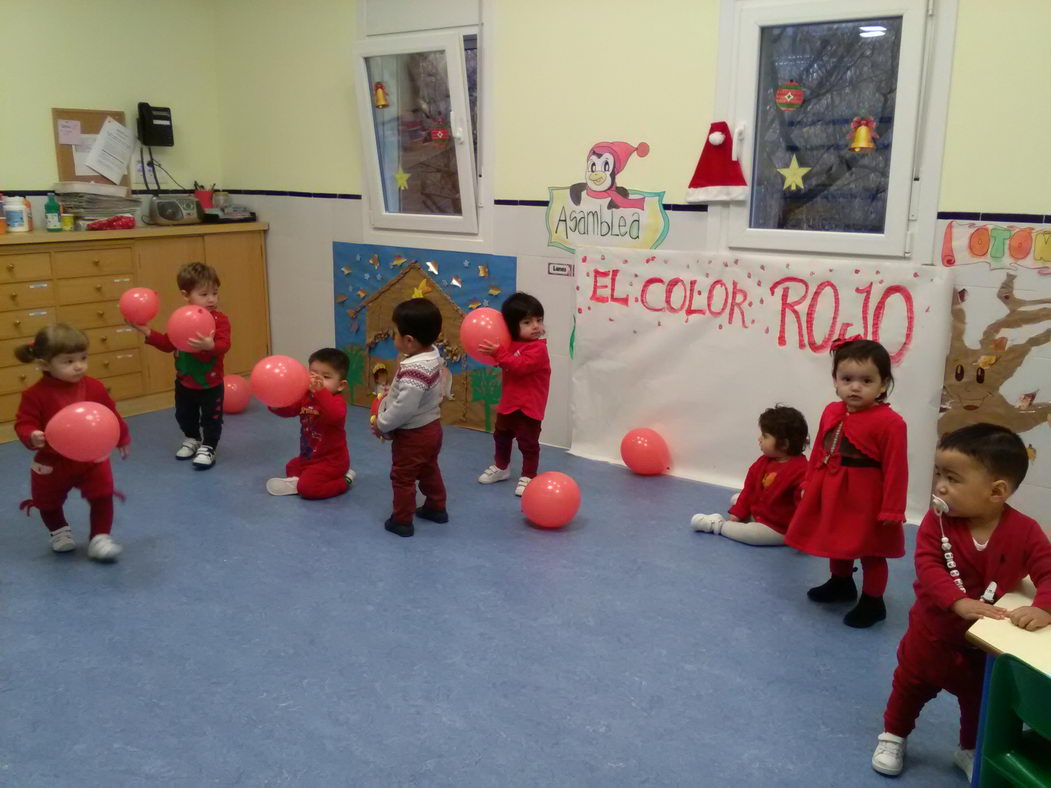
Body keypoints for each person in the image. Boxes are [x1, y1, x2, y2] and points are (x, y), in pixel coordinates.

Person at [871, 423, 1051, 781]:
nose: (939, 486)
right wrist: (956, 601)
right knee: (909, 687)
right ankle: (893, 735)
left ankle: (968, 748)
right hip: (931, 635)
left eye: (952, 478)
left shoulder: (1026, 531)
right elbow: (927, 564)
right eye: (939, 474)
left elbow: (1048, 571)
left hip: (979, 649)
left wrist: (1042, 606)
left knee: (977, 702)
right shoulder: (936, 524)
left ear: (996, 491)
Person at [785, 339, 908, 628]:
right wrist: (809, 480)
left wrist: (892, 509)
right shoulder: (831, 411)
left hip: (866, 498)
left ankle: (873, 601)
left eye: (866, 380)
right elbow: (819, 449)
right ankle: (841, 583)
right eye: (847, 379)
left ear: (883, 385)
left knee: (870, 549)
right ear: (835, 381)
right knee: (835, 539)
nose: (855, 387)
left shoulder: (891, 423)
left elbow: (896, 469)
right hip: (832, 488)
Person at [13, 324, 130, 561]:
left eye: (83, 358)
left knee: (102, 494)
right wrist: (31, 434)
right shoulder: (34, 395)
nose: (79, 366)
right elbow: (23, 422)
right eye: (68, 361)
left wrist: (122, 436)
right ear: (45, 364)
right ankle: (59, 530)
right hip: (52, 462)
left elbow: (110, 414)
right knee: (47, 502)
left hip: (91, 458)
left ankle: (100, 537)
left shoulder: (94, 387)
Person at [131, 262, 230, 470]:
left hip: (210, 384)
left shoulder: (219, 320)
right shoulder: (181, 318)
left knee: (212, 418)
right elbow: (169, 344)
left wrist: (210, 345)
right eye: (204, 294)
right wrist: (146, 331)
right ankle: (192, 438)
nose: (211, 299)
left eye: (215, 293)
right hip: (184, 382)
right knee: (184, 414)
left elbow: (224, 345)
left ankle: (209, 446)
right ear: (186, 295)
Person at [373, 298, 448, 537]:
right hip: (432, 428)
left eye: (395, 333)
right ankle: (437, 506)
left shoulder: (415, 371)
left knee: (403, 476)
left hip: (413, 434)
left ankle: (401, 520)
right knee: (428, 468)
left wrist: (382, 423)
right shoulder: (432, 357)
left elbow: (405, 408)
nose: (393, 337)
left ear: (409, 341)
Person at [691, 405, 809, 546]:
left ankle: (717, 525)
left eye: (765, 436)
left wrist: (802, 535)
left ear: (784, 444)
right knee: (744, 500)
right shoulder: (763, 461)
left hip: (778, 528)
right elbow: (750, 489)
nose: (759, 439)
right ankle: (745, 509)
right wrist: (738, 512)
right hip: (761, 513)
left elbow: (805, 508)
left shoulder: (802, 471)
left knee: (753, 534)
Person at [476, 292, 551, 497]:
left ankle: (529, 475)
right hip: (509, 403)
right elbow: (505, 359)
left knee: (528, 443)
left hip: (529, 406)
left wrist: (499, 353)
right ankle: (502, 467)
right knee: (501, 436)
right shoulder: (509, 344)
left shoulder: (538, 349)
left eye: (539, 320)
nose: (536, 326)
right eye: (527, 322)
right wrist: (497, 350)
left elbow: (519, 366)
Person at [266, 348, 355, 499]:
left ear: (340, 385)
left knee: (308, 489)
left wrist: (320, 392)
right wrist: (276, 404)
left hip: (332, 462)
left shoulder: (336, 402)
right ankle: (299, 482)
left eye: (326, 377)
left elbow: (335, 416)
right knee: (291, 466)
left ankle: (345, 480)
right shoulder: (306, 396)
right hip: (309, 457)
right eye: (313, 374)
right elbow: (290, 410)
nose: (316, 381)